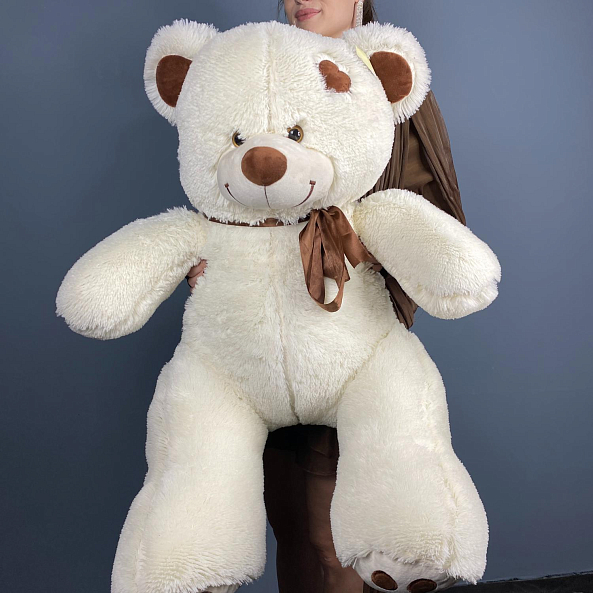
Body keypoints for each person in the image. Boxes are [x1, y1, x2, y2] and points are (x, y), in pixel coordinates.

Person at [186, 2, 468, 591]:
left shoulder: (385, 79)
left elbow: (431, 221)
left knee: (334, 541)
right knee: (289, 529)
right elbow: (222, 180)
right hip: (256, 345)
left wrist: (348, 242)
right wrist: (215, 254)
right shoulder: (257, 61)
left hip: (340, 341)